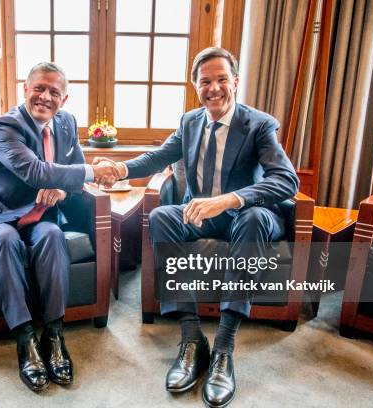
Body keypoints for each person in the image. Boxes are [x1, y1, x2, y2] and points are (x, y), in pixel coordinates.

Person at [94, 47, 299, 407]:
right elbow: (159, 157)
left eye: (222, 79)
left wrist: (230, 199)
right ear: (195, 86)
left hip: (247, 214)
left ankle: (223, 348)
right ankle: (192, 339)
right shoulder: (190, 122)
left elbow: (287, 180)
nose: (214, 88)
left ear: (235, 82)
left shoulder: (259, 125)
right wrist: (120, 168)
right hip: (200, 213)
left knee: (251, 219)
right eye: (206, 81)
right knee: (161, 216)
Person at [0, 62, 118, 392]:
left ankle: (54, 334)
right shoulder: (6, 125)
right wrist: (94, 171)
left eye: (54, 92)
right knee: (5, 240)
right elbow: (35, 172)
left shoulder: (66, 123)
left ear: (64, 98)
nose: (45, 97)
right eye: (39, 88)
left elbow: (71, 168)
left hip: (40, 215)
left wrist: (63, 189)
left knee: (52, 236)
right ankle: (25, 340)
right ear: (25, 88)